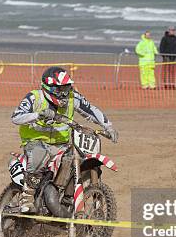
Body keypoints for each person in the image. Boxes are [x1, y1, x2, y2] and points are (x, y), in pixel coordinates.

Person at [11, 66, 118, 213]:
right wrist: (38, 114)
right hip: (35, 141)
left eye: (66, 88)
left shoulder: (72, 97)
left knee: (76, 160)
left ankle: (67, 199)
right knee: (40, 155)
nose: (64, 93)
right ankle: (27, 198)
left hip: (61, 143)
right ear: (48, 87)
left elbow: (91, 109)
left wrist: (108, 126)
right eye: (59, 89)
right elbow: (16, 117)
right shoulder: (35, 97)